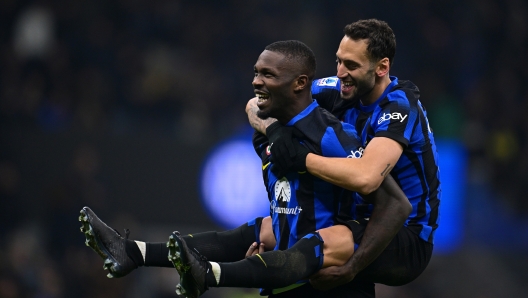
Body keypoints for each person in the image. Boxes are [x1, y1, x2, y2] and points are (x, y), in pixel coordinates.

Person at [80, 39, 410, 298]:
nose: (256, 82)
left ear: (299, 83)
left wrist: (355, 263)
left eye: (268, 75)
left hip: (330, 285)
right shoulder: (265, 130)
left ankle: (207, 274)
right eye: (256, 72)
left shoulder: (331, 134)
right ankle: (132, 253)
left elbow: (386, 197)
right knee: (252, 231)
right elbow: (257, 116)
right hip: (285, 279)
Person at [246, 18, 440, 290]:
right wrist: (275, 131)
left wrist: (302, 160)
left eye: (351, 65)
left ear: (382, 67)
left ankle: (225, 274)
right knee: (265, 230)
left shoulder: (398, 107)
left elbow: (367, 178)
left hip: (406, 235)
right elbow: (257, 102)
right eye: (338, 61)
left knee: (305, 253)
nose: (339, 72)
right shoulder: (338, 89)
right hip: (356, 218)